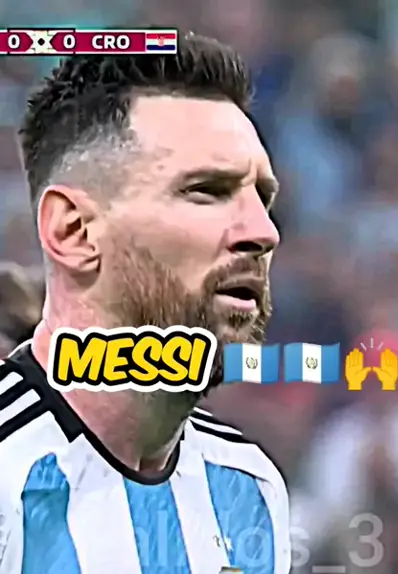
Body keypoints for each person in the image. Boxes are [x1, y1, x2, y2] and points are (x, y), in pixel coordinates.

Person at [0, 29, 290, 574]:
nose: (263, 232)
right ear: (74, 231)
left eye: (263, 198)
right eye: (206, 191)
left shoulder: (249, 487)